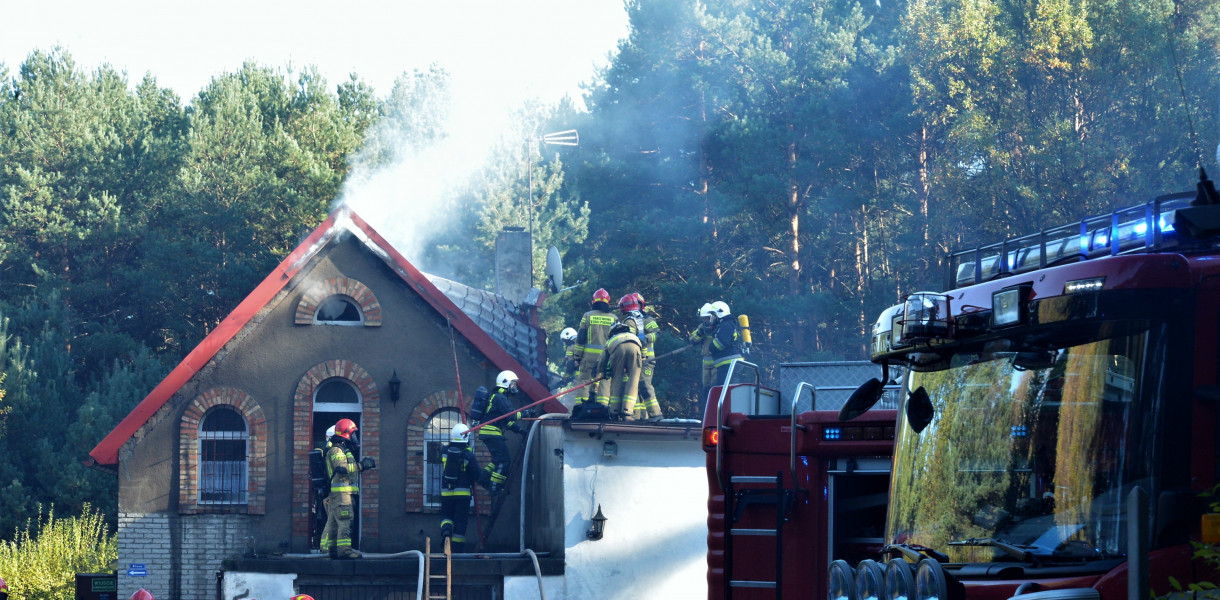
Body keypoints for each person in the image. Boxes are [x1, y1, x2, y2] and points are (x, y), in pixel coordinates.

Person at [322, 418, 375, 559]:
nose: (354, 437)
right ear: (346, 433)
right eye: (353, 433)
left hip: (343, 494)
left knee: (334, 523)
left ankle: (332, 550)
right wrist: (362, 465)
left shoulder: (344, 449)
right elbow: (342, 468)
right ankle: (344, 551)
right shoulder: (336, 450)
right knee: (345, 521)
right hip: (342, 495)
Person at [474, 370, 525, 495]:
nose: (514, 387)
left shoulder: (496, 396)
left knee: (497, 460)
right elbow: (511, 416)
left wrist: (520, 430)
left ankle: (484, 479)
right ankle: (495, 487)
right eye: (512, 384)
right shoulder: (500, 397)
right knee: (504, 461)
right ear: (505, 383)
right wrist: (525, 413)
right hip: (492, 433)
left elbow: (505, 421)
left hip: (489, 432)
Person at [569, 289, 616, 407]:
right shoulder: (614, 318)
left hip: (588, 356)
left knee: (584, 380)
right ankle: (602, 407)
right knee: (604, 380)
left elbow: (580, 339)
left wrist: (577, 357)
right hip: (607, 357)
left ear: (594, 301)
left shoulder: (587, 316)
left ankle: (581, 407)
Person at [439, 423, 481, 552]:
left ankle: (446, 531)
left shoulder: (444, 451)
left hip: (446, 492)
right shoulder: (468, 455)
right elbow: (476, 474)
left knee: (446, 516)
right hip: (462, 495)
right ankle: (456, 550)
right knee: (460, 522)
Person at [597, 321, 644, 420]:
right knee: (633, 382)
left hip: (618, 349)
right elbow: (642, 355)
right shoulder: (633, 336)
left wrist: (602, 372)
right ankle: (627, 412)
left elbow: (603, 359)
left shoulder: (612, 339)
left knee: (616, 380)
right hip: (636, 347)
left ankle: (614, 412)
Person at [630, 292, 662, 421]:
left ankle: (656, 414)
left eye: (636, 304)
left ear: (641, 305)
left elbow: (658, 334)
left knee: (644, 385)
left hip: (647, 360)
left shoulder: (647, 319)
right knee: (634, 388)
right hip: (634, 360)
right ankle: (639, 417)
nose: (634, 307)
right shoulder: (629, 321)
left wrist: (645, 338)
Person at [708, 301, 743, 385]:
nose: (711, 318)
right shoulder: (726, 324)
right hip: (727, 363)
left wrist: (711, 347)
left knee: (724, 389)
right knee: (723, 388)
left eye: (713, 315)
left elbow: (722, 342)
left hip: (729, 363)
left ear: (719, 314)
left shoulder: (726, 325)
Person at [689, 303, 718, 398]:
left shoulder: (718, 326)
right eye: (703, 318)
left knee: (715, 386)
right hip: (705, 362)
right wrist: (700, 332)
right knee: (706, 387)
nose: (705, 320)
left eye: (706, 318)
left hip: (716, 362)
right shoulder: (701, 327)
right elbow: (692, 339)